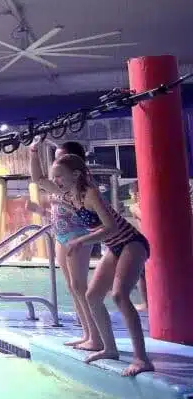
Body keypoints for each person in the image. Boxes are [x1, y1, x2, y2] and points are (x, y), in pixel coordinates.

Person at [52, 153, 154, 376]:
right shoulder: (71, 197)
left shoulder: (90, 194)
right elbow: (40, 180)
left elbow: (112, 228)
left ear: (76, 174)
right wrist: (32, 152)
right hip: (115, 247)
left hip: (131, 243)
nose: (56, 180)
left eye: (59, 176)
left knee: (119, 296)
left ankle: (141, 359)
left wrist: (80, 240)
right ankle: (109, 348)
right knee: (92, 296)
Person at [29, 141, 98, 349]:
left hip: (78, 236)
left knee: (80, 286)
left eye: (60, 159)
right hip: (61, 235)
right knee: (72, 286)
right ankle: (87, 334)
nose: (55, 164)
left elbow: (93, 214)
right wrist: (33, 151)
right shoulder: (61, 184)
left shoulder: (84, 186)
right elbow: (38, 179)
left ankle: (95, 336)